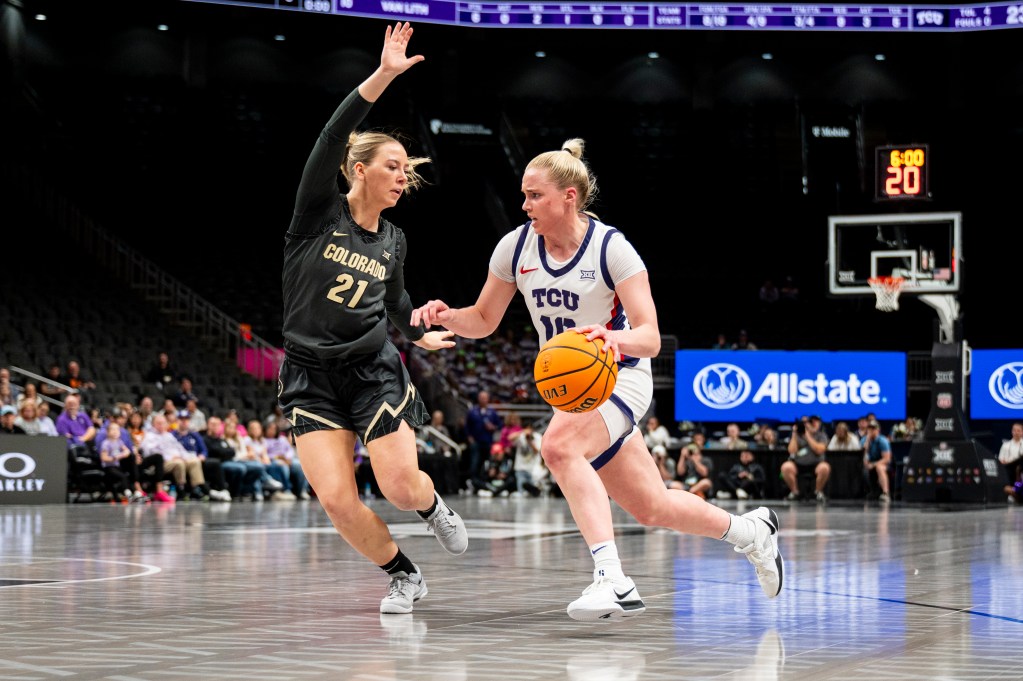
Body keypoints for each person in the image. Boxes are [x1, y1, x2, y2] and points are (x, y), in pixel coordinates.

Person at [411, 136, 783, 621]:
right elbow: (483, 319)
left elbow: (649, 337)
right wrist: (445, 316)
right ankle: (753, 533)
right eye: (522, 195)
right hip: (575, 389)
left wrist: (613, 340)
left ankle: (613, 579)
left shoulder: (612, 249)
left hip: (621, 376)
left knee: (558, 447)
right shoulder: (515, 248)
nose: (524, 205)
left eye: (534, 195)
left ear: (569, 197)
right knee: (652, 507)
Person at [273, 22, 467, 615]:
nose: (403, 175)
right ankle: (404, 576)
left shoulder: (395, 241)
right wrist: (385, 74)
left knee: (401, 487)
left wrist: (419, 329)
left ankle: (434, 509)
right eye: (393, 165)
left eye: (407, 168)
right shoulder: (316, 212)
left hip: (371, 369)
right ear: (359, 169)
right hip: (309, 373)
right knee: (335, 498)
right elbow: (334, 134)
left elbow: (397, 305)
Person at [780, 416, 830, 503]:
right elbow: (792, 451)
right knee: (786, 467)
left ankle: (817, 492)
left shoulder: (821, 435)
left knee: (825, 467)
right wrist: (794, 434)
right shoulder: (797, 436)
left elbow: (819, 450)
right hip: (798, 464)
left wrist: (807, 435)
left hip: (816, 464)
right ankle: (795, 493)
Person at [862, 420, 892, 503]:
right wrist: (867, 442)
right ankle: (869, 491)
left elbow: (887, 459)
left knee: (879, 468)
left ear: (878, 430)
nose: (871, 431)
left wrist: (873, 464)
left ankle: (885, 493)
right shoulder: (864, 440)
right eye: (869, 429)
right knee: (861, 467)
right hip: (869, 463)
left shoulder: (883, 441)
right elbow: (862, 455)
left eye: (873, 429)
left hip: (883, 463)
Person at [998, 422, 1023, 504]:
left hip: (1020, 472)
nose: (1016, 432)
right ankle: (1017, 493)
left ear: (1022, 432)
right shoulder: (1006, 445)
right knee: (1006, 488)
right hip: (1009, 472)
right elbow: (1000, 460)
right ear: (1012, 431)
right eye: (1014, 430)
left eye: (1018, 430)